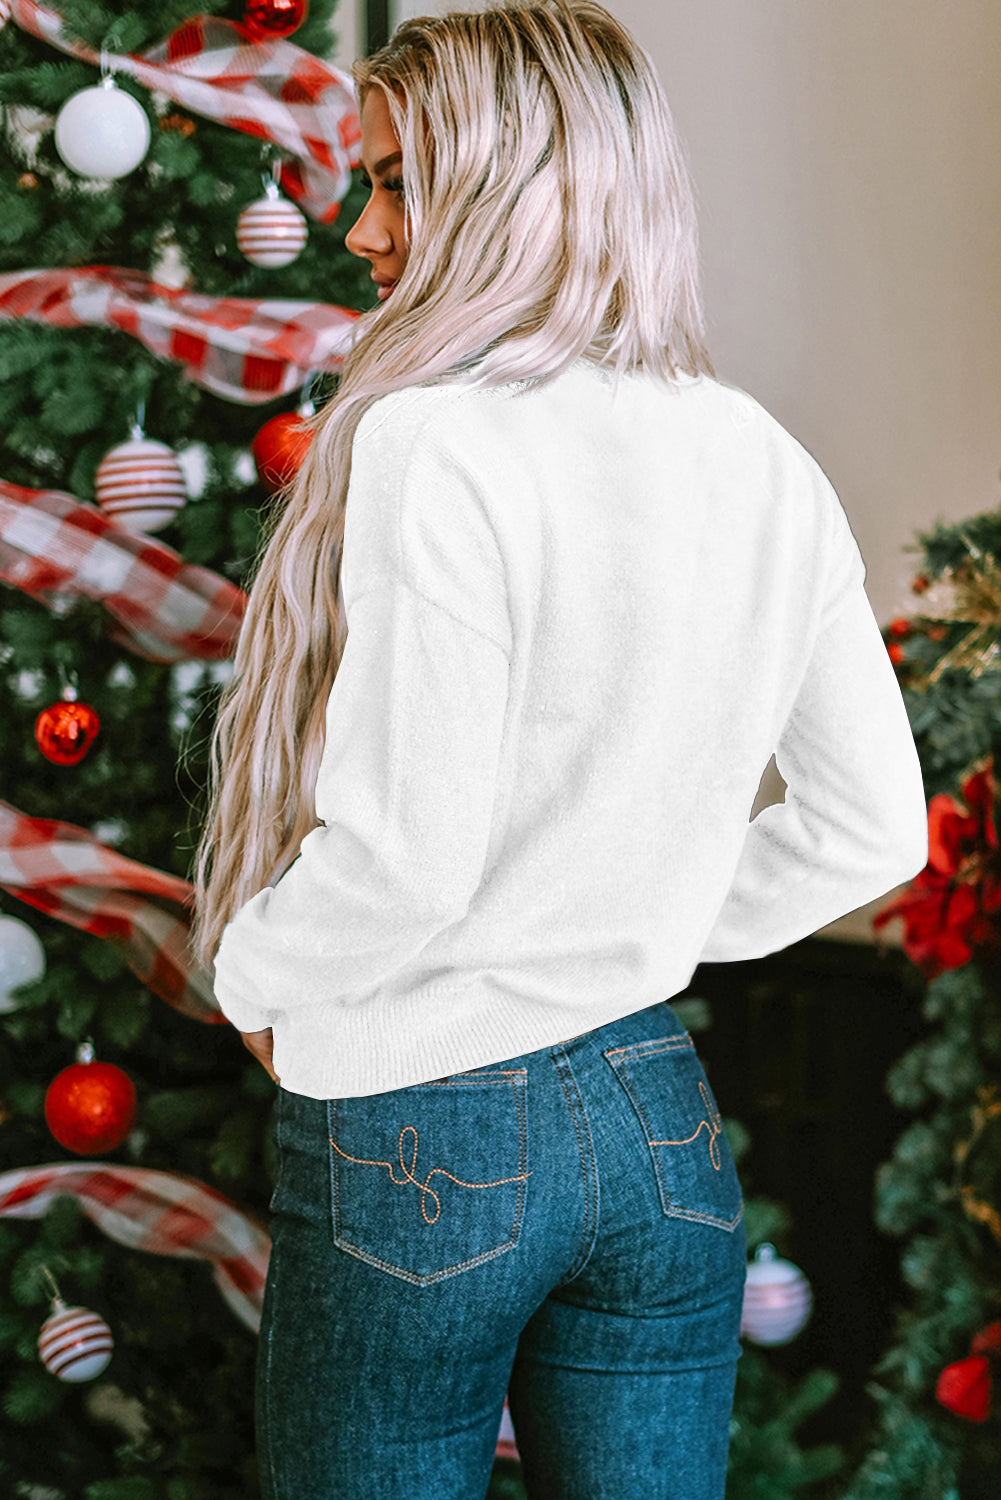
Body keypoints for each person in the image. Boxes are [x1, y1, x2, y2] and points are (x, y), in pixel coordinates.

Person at [187, 2, 929, 1495]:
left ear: (510, 191)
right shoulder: (757, 452)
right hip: (656, 1121)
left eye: (397, 182)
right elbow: (874, 833)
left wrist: (247, 975)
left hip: (418, 1131)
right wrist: (625, 911)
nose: (360, 231)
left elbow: (407, 859)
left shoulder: (432, 441)